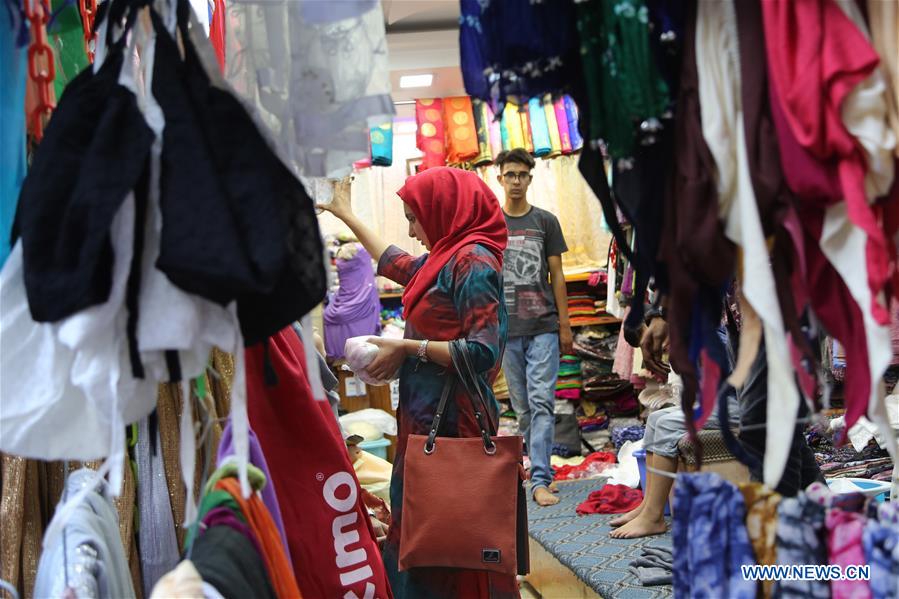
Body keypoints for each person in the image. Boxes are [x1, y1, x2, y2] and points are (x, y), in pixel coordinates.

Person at [320, 168, 518, 598]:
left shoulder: (474, 261)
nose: (412, 231)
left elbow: (482, 351)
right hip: (426, 418)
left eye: (415, 218)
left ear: (443, 211)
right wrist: (346, 214)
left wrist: (407, 349)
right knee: (424, 528)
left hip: (454, 422)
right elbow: (397, 263)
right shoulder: (446, 257)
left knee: (450, 536)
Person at [495, 148, 571, 507]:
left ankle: (540, 478)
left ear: (530, 179)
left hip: (543, 325)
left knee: (542, 403)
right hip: (507, 331)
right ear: (500, 178)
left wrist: (565, 325)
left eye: (521, 175)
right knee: (523, 409)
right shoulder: (490, 223)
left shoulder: (545, 221)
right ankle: (537, 469)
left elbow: (556, 275)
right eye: (509, 174)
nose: (515, 181)